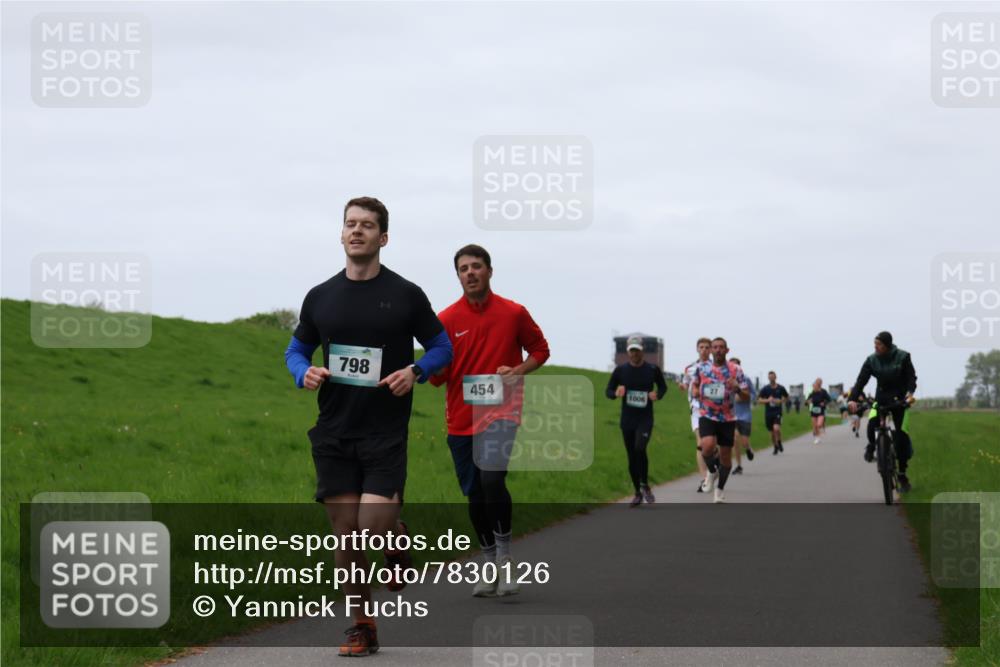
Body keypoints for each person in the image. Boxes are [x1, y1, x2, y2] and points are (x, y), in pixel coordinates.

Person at [284, 196, 453, 657]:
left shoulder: (405, 294)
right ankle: (362, 625)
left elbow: (442, 347)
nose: (357, 231)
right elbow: (295, 351)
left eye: (367, 225)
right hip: (334, 431)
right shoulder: (320, 296)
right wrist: (305, 372)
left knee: (368, 531)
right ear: (341, 234)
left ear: (383, 238)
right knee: (347, 537)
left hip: (384, 433)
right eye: (350, 224)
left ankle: (395, 532)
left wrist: (415, 371)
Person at [430, 244, 550, 597]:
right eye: (463, 268)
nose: (470, 273)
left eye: (476, 266)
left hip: (501, 411)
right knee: (474, 494)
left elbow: (541, 349)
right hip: (461, 418)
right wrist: (429, 367)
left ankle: (506, 560)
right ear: (458, 276)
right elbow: (438, 376)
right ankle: (489, 562)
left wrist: (518, 370)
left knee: (492, 478)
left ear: (489, 271)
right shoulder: (446, 320)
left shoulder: (514, 313)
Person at [847, 331, 918, 492]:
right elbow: (861, 381)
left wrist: (910, 394)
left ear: (886, 345)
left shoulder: (903, 357)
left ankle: (902, 473)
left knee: (900, 437)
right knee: (872, 424)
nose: (875, 347)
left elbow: (911, 378)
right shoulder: (872, 360)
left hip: (900, 399)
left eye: (878, 344)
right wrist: (852, 398)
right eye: (875, 344)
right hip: (882, 398)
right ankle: (872, 445)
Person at [607, 336, 668, 505]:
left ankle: (645, 485)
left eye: (637, 350)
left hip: (645, 418)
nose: (634, 353)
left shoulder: (652, 369)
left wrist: (657, 395)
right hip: (627, 419)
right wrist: (615, 393)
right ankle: (637, 492)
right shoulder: (621, 370)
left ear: (642, 351)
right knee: (631, 456)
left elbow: (663, 387)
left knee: (640, 447)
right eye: (632, 350)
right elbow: (608, 390)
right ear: (628, 351)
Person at [690, 337, 750, 503]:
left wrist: (737, 388)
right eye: (714, 347)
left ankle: (720, 488)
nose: (717, 350)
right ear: (711, 350)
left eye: (721, 347)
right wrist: (695, 391)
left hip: (727, 418)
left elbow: (746, 396)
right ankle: (711, 471)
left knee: (725, 458)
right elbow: (695, 384)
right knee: (706, 446)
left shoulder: (735, 370)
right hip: (707, 414)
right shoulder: (702, 368)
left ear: (727, 350)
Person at [679, 338, 712, 492]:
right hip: (697, 408)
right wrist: (683, 386)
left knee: (711, 445)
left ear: (711, 350)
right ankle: (704, 479)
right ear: (697, 349)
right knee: (700, 444)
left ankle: (714, 465)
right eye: (701, 347)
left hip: (713, 410)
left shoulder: (717, 368)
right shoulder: (690, 368)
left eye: (707, 347)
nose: (704, 350)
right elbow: (686, 383)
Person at [729, 358, 755, 474]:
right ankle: (739, 466)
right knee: (734, 440)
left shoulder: (746, 379)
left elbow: (754, 394)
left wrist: (744, 398)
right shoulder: (726, 380)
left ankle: (748, 448)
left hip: (744, 415)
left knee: (744, 441)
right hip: (731, 415)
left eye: (736, 365)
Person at [757, 371, 789, 455]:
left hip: (777, 412)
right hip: (768, 413)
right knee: (771, 433)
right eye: (770, 377)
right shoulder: (765, 389)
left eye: (772, 377)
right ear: (768, 378)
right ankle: (775, 446)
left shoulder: (781, 388)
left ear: (775, 377)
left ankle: (779, 442)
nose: (771, 378)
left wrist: (780, 401)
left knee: (776, 428)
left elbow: (787, 397)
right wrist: (768, 400)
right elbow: (759, 400)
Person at [805, 379, 831, 444]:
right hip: (813, 411)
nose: (814, 387)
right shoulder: (812, 393)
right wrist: (808, 402)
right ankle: (817, 438)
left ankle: (820, 430)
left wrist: (824, 403)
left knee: (818, 424)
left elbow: (829, 399)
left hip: (821, 410)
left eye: (816, 385)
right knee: (814, 426)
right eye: (814, 386)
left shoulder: (823, 391)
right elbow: (806, 402)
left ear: (820, 384)